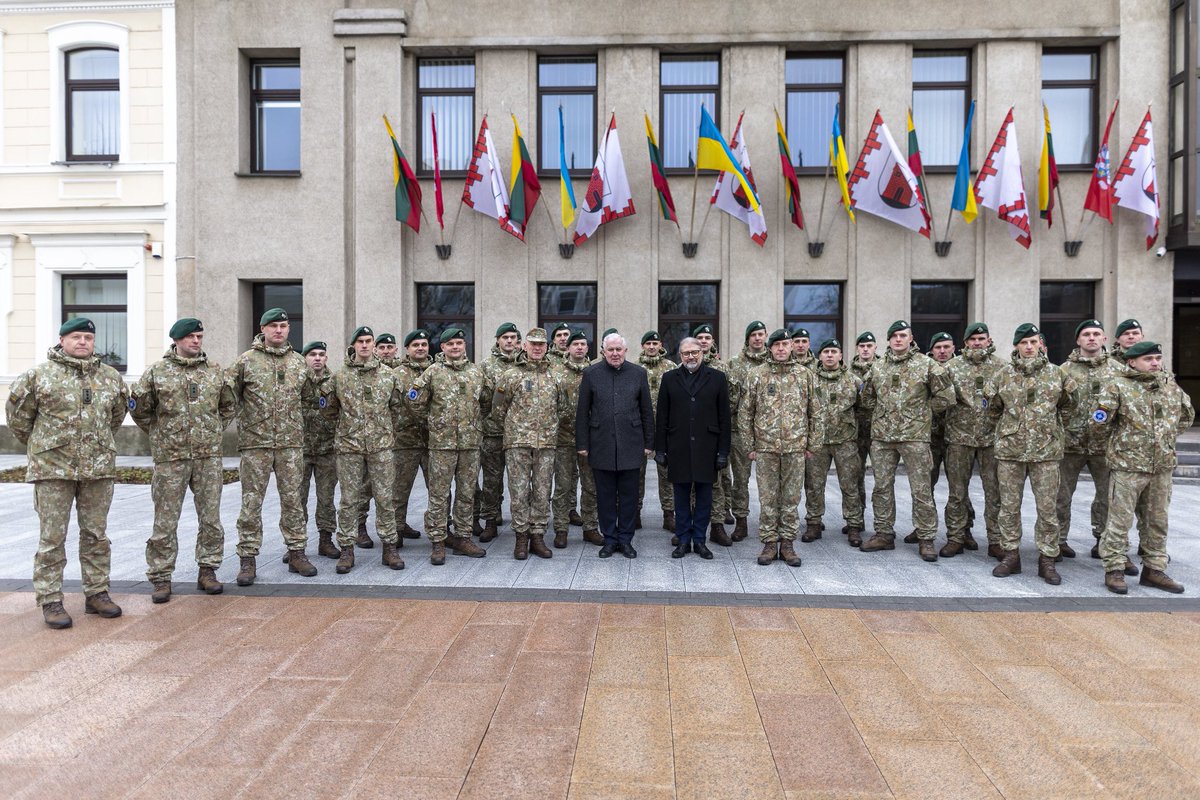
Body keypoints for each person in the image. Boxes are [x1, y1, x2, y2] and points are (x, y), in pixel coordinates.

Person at [6, 318, 129, 628]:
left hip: (97, 468)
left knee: (96, 535)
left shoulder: (111, 378)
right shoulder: (38, 376)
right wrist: (46, 446)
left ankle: (97, 593)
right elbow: (19, 421)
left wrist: (94, 444)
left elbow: (116, 417)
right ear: (62, 339)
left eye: (88, 337)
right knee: (52, 538)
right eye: (77, 336)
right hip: (52, 469)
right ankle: (51, 600)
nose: (83, 342)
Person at [130, 317, 237, 603]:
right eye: (190, 337)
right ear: (176, 340)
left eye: (199, 336)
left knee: (211, 518)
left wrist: (213, 430)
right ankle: (161, 577)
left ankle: (208, 570)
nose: (196, 341)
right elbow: (141, 410)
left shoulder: (215, 370)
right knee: (165, 521)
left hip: (207, 457)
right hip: (171, 458)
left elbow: (228, 405)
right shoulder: (157, 372)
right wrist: (161, 434)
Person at [1093, 341, 1195, 594]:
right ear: (1132, 362)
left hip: (1161, 466)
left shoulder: (1170, 387)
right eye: (1149, 359)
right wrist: (1126, 443)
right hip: (1128, 466)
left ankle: (1154, 569)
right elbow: (1100, 422)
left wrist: (1163, 438)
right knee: (1119, 520)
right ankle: (1115, 569)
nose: (1155, 363)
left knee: (1157, 521)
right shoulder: (1118, 386)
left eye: (1157, 358)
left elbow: (1186, 416)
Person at [227, 307, 315, 585]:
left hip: (290, 444)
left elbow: (309, 399)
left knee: (293, 501)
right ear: (262, 329)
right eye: (273, 326)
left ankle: (297, 552)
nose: (279, 330)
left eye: (284, 325)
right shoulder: (246, 362)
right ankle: (248, 558)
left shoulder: (299, 363)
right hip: (256, 445)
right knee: (252, 503)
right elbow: (228, 399)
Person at [986, 323, 1077, 584]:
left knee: (1047, 508)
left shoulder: (1056, 374)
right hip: (1011, 451)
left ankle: (1047, 559)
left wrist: (1051, 431)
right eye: (1023, 342)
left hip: (1046, 453)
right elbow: (993, 409)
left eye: (1033, 342)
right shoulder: (1002, 375)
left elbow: (1070, 406)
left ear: (1041, 345)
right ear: (1016, 346)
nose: (1028, 347)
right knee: (1008, 507)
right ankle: (1011, 555)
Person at [859, 320, 955, 562]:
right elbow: (867, 398)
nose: (899, 340)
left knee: (921, 489)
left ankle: (926, 538)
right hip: (883, 438)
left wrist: (922, 413)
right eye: (894, 336)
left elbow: (946, 397)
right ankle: (883, 533)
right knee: (881, 487)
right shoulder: (878, 367)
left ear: (911, 338)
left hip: (915, 437)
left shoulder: (927, 365)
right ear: (889, 341)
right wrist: (884, 415)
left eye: (903, 335)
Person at [321, 326, 408, 574]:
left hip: (380, 447)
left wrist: (383, 431)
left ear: (373, 344)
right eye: (360, 341)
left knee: (385, 498)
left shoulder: (388, 376)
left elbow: (397, 408)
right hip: (349, 447)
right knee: (349, 499)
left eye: (369, 341)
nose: (365, 345)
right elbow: (328, 410)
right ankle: (347, 549)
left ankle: (389, 547)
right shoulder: (339, 377)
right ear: (353, 345)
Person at [408, 327, 491, 564]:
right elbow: (414, 403)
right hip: (441, 446)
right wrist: (434, 423)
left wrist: (472, 424)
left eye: (459, 343)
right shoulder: (433, 372)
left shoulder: (476, 372)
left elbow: (486, 402)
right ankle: (438, 540)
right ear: (442, 348)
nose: (455, 347)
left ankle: (463, 537)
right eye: (450, 344)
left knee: (467, 493)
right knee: (439, 495)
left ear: (465, 346)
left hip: (470, 444)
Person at [741, 329, 820, 567]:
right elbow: (746, 412)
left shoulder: (805, 375)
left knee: (791, 497)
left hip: (796, 447)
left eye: (786, 344)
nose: (782, 349)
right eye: (777, 345)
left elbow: (816, 411)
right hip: (765, 448)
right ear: (770, 347)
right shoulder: (757, 374)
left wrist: (812, 444)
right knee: (767, 497)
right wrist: (749, 446)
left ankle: (787, 543)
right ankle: (768, 542)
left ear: (792, 346)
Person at [492, 328, 568, 559]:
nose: (537, 348)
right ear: (524, 346)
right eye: (533, 344)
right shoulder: (511, 375)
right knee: (519, 491)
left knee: (543, 491)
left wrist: (547, 427)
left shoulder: (556, 375)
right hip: (518, 443)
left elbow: (563, 408)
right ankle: (521, 537)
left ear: (547, 347)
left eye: (541, 345)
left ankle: (538, 535)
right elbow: (497, 409)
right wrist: (517, 428)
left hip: (546, 443)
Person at [576, 332, 654, 558]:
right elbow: (583, 412)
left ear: (626, 351)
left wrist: (649, 442)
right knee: (606, 496)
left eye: (619, 349)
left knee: (629, 497)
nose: (615, 353)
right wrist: (583, 443)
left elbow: (647, 410)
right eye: (610, 350)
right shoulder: (591, 373)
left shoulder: (638, 373)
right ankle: (609, 539)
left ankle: (626, 540)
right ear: (603, 351)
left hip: (632, 443)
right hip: (601, 444)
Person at [654, 336, 730, 559]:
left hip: (708, 448)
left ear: (702, 353)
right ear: (680, 355)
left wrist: (723, 452)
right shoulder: (669, 378)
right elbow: (662, 417)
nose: (691, 356)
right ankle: (683, 540)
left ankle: (700, 541)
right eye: (686, 353)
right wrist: (661, 449)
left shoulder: (717, 378)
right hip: (678, 447)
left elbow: (725, 418)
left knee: (705, 498)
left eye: (695, 352)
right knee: (681, 498)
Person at [1056, 319, 1123, 560]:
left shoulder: (1118, 370)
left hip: (1105, 446)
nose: (1091, 338)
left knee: (1108, 497)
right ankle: (1058, 541)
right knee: (1061, 496)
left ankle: (1103, 540)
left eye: (1096, 334)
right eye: (1086, 334)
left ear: (1105, 339)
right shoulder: (1064, 370)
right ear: (1078, 340)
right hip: (1070, 445)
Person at [940, 322, 1005, 558]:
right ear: (965, 342)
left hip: (991, 439)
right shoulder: (951, 367)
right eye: (973, 339)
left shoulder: (1002, 367)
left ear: (989, 340)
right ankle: (956, 537)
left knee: (994, 492)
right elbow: (941, 399)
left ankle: (996, 540)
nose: (977, 343)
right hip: (959, 437)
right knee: (957, 492)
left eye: (981, 338)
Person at [804, 339, 865, 547]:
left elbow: (863, 408)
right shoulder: (809, 379)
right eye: (826, 351)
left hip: (845, 441)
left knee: (850, 485)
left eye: (834, 351)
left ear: (841, 355)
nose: (830, 355)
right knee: (814, 485)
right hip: (817, 442)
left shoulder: (854, 381)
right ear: (819, 356)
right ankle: (813, 522)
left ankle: (854, 525)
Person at [552, 331, 602, 547]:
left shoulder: (596, 372)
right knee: (563, 486)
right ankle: (561, 528)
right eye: (576, 344)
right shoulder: (555, 372)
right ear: (568, 348)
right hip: (563, 438)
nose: (580, 347)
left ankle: (590, 527)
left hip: (591, 439)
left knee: (591, 485)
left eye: (583, 344)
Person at [726, 320, 771, 542]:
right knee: (740, 480)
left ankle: (770, 523)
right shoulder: (734, 363)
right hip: (739, 431)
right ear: (748, 338)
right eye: (753, 334)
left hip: (769, 433)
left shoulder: (775, 362)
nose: (757, 338)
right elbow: (728, 398)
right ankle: (741, 521)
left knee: (769, 482)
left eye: (761, 334)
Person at [477, 322, 521, 540]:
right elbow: (481, 398)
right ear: (497, 340)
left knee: (519, 480)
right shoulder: (486, 366)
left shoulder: (525, 364)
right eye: (505, 337)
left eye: (513, 337)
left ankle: (523, 522)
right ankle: (490, 520)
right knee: (492, 480)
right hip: (493, 432)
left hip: (520, 434)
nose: (509, 341)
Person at [299, 341, 341, 561]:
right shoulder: (296, 381)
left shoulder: (335, 382)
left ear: (326, 358)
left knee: (327, 498)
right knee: (297, 500)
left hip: (327, 449)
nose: (317, 358)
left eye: (321, 354)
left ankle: (326, 540)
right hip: (300, 450)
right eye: (312, 354)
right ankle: (296, 546)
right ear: (305, 357)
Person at [692, 323, 734, 543]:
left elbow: (729, 403)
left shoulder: (722, 368)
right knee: (690, 482)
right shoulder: (685, 365)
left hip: (713, 434)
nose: (704, 340)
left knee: (717, 482)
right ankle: (689, 525)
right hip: (690, 434)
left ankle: (717, 525)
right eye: (700, 337)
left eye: (708, 337)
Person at [391, 330, 433, 540]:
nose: (420, 348)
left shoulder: (437, 371)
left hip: (433, 442)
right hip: (404, 440)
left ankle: (440, 529)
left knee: (438, 490)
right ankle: (397, 529)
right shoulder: (396, 374)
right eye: (415, 344)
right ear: (407, 349)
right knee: (399, 489)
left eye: (424, 344)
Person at [637, 330, 676, 532]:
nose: (652, 347)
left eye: (655, 343)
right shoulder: (635, 368)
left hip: (665, 429)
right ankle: (635, 512)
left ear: (661, 345)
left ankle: (669, 513)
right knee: (637, 473)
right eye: (648, 343)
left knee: (667, 473)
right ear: (642, 346)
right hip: (640, 430)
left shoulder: (671, 368)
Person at [850, 331, 877, 514]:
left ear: (875, 347)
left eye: (869, 346)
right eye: (862, 346)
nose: (865, 349)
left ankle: (881, 523)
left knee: (882, 478)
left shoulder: (883, 368)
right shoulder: (849, 372)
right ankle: (857, 516)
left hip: (878, 432)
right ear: (857, 348)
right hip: (856, 431)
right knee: (855, 474)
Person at [926, 332, 955, 495]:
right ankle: (928, 519)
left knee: (958, 484)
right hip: (931, 435)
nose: (942, 351)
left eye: (946, 347)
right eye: (938, 347)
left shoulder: (961, 368)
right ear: (932, 350)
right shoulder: (924, 368)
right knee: (927, 481)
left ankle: (963, 520)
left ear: (953, 348)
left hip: (957, 435)